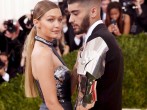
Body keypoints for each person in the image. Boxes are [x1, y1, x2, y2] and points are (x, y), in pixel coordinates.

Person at [67, 0, 123, 110]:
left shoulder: (97, 40)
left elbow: (84, 103)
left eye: (75, 13)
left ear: (93, 11)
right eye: (69, 14)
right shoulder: (102, 36)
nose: (70, 19)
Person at [24, 0, 72, 110]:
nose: (57, 25)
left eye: (59, 20)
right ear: (36, 23)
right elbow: (52, 104)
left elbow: (66, 93)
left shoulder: (47, 48)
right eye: (51, 20)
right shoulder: (42, 53)